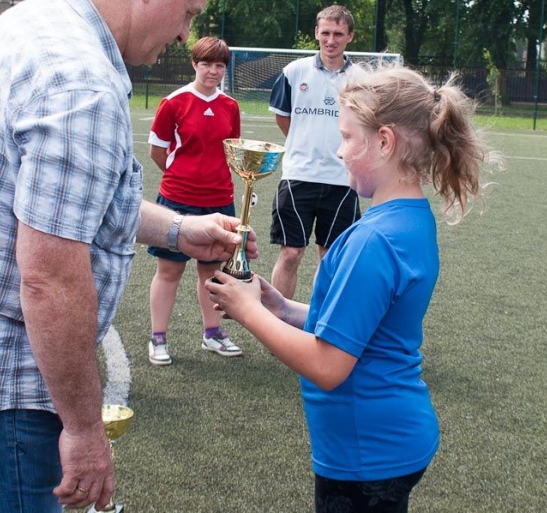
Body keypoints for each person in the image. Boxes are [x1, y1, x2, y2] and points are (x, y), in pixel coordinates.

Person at [0, 0, 257, 512]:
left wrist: (180, 229)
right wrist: (82, 427)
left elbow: (72, 207)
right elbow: (49, 278)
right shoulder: (78, 81)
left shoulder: (32, 25)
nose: (186, 34)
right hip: (0, 390)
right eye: (188, 12)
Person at [207, 66, 502, 512]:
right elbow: (361, 328)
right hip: (389, 440)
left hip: (368, 455)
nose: (339, 151)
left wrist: (248, 312)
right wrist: (280, 307)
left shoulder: (373, 240)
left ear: (384, 142)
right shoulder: (408, 217)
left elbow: (328, 365)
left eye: (346, 137)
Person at [146, 36, 243, 365]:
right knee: (169, 270)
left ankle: (212, 333)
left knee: (211, 272)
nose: (213, 71)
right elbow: (157, 151)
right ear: (194, 64)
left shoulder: (230, 106)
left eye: (219, 65)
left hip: (219, 201)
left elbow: (232, 151)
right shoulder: (174, 102)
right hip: (178, 200)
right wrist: (182, 177)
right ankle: (158, 338)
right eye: (206, 64)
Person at [268, 4, 361, 299]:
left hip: (342, 180)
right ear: (316, 33)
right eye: (326, 33)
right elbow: (283, 117)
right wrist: (304, 142)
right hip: (299, 176)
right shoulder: (294, 72)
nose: (331, 40)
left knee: (330, 256)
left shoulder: (361, 79)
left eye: (338, 34)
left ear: (350, 36)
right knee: (291, 253)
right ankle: (277, 319)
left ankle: (320, 320)